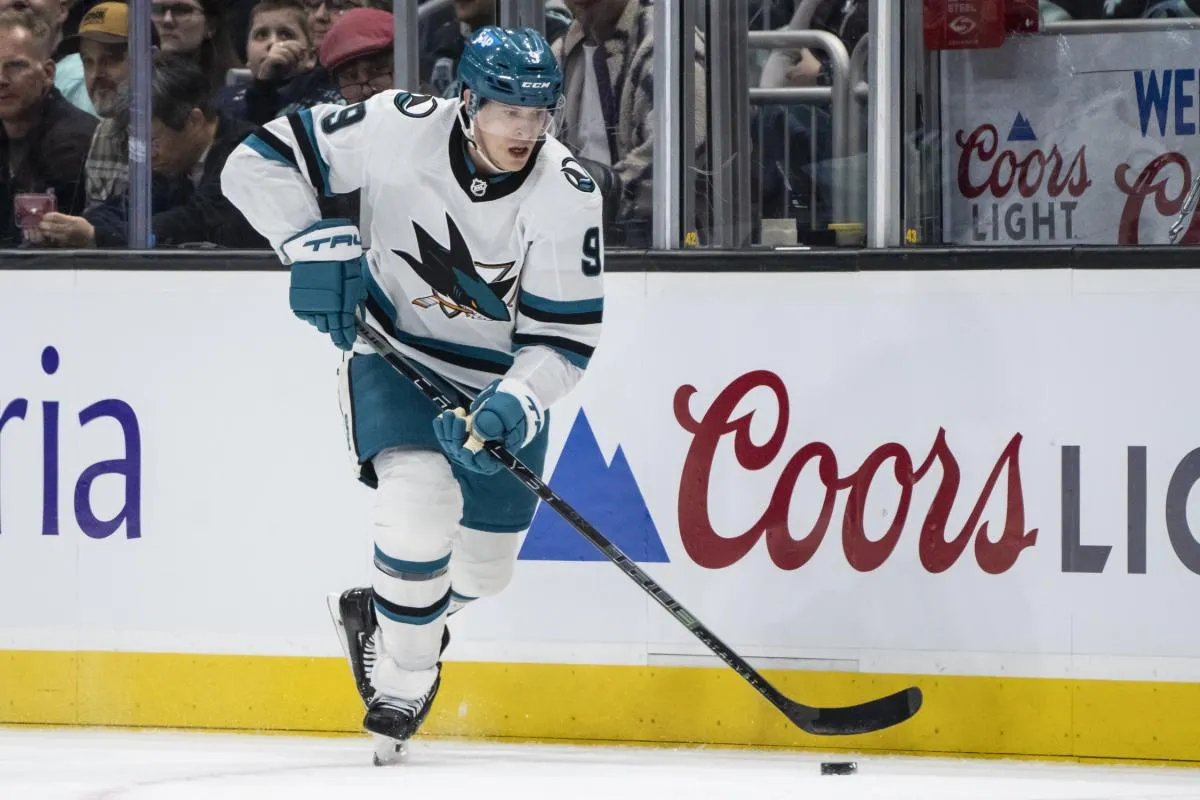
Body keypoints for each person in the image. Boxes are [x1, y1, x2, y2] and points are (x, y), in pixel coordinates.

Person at [220, 26, 604, 762]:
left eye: (538, 113)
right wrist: (309, 242)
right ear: (467, 99)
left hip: (498, 386)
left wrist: (515, 404)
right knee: (417, 506)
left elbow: (562, 343)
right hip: (394, 355)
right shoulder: (395, 126)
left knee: (485, 572)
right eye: (507, 110)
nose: (524, 129)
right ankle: (404, 678)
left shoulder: (566, 195)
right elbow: (255, 161)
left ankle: (384, 616)